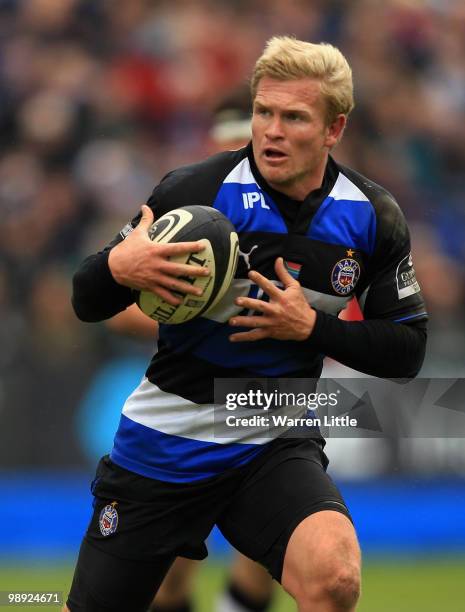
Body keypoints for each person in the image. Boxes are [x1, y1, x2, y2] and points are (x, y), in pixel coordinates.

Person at [66, 36, 428, 612]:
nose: (271, 131)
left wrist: (312, 327)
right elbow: (87, 298)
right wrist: (117, 264)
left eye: (293, 117)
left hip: (272, 435)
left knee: (334, 579)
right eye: (264, 112)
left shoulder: (372, 215)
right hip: (167, 439)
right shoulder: (194, 190)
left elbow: (408, 351)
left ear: (334, 129)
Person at [107, 88, 277, 612]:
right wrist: (178, 309)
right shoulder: (187, 210)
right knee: (171, 574)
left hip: (273, 396)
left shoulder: (307, 213)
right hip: (191, 399)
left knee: (269, 557)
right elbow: (114, 303)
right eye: (227, 138)